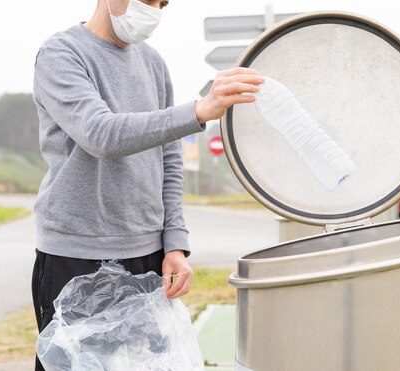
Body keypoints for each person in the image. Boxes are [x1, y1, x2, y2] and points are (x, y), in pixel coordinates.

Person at [30, 0, 263, 369]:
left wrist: (175, 243)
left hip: (148, 257)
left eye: (162, 3)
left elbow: (169, 159)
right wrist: (199, 110)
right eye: (147, 0)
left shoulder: (153, 63)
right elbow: (100, 134)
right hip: (75, 254)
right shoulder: (61, 53)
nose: (154, 9)